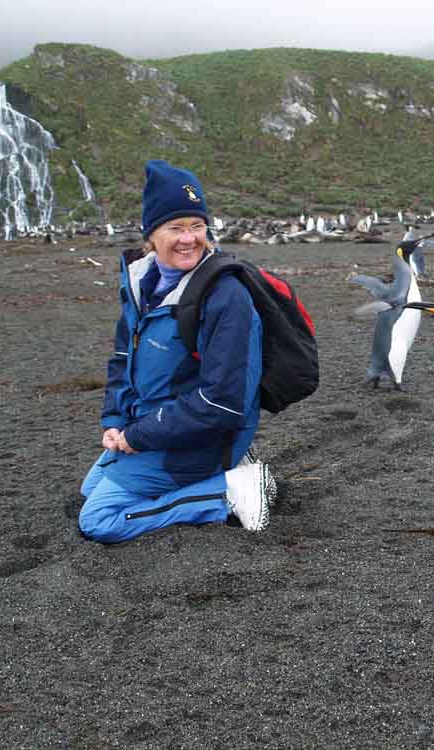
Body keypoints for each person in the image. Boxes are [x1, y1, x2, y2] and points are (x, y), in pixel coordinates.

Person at [79, 160, 274, 543]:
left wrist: (139, 436)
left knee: (99, 520)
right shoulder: (141, 283)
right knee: (90, 489)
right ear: (151, 235)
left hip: (200, 436)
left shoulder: (225, 297)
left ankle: (229, 492)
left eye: (197, 226)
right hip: (156, 426)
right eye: (176, 228)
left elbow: (221, 402)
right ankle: (218, 480)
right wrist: (116, 421)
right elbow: (123, 359)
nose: (189, 238)